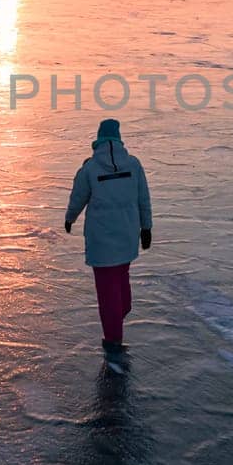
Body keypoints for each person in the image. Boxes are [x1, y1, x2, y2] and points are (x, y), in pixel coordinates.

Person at [64, 118, 152, 350]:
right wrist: (146, 227)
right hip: (126, 237)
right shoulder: (133, 165)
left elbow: (78, 198)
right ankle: (120, 313)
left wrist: (69, 218)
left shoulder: (90, 168)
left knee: (107, 291)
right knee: (121, 278)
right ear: (118, 139)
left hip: (101, 241)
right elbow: (144, 198)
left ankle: (113, 340)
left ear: (99, 139)